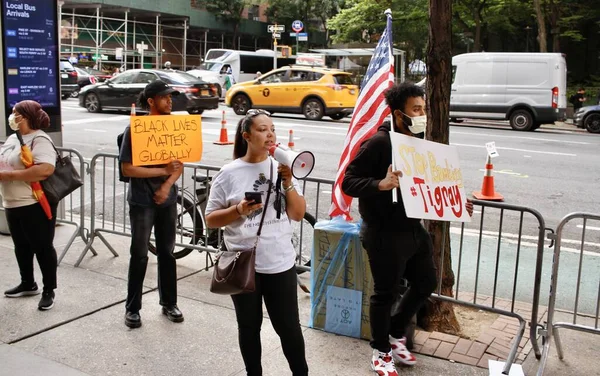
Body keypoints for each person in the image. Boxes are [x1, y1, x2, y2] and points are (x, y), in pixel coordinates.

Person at [342, 82, 473, 376]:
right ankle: (381, 352)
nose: (422, 114)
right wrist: (381, 184)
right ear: (399, 114)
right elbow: (348, 182)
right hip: (383, 233)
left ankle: (394, 332)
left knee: (426, 283)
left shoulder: (419, 142)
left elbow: (432, 183)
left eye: (423, 109)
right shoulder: (379, 144)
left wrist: (455, 202)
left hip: (414, 230)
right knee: (384, 294)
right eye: (416, 109)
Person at [205, 109, 309, 376]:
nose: (270, 134)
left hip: (280, 263)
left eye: (272, 128)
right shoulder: (229, 173)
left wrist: (288, 183)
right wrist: (238, 210)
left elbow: (297, 213)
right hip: (243, 263)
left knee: (289, 328)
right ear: (247, 136)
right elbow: (211, 219)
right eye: (263, 129)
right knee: (249, 328)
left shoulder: (284, 167)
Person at [118, 80, 184, 328]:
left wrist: (166, 185)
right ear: (151, 101)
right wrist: (161, 172)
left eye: (171, 97)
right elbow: (128, 168)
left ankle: (169, 303)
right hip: (141, 202)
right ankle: (132, 308)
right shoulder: (134, 130)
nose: (170, 101)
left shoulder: (174, 127)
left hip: (167, 200)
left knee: (167, 253)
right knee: (140, 254)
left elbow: (179, 166)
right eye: (165, 97)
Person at [0, 100, 58, 310]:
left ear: (24, 117)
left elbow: (45, 170)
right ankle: (28, 283)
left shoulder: (39, 139)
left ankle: (48, 290)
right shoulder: (12, 138)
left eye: (14, 113)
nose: (11, 116)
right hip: (12, 202)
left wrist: (8, 176)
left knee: (42, 247)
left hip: (33, 202)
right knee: (21, 247)